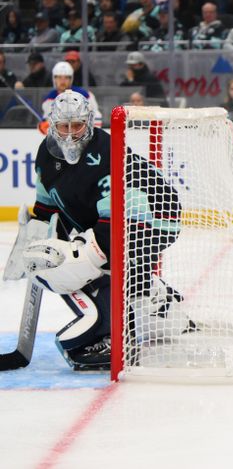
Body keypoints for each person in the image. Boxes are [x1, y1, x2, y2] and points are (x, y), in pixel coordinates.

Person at [20, 90, 189, 371]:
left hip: (153, 216)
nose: (71, 134)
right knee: (72, 259)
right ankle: (158, 303)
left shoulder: (105, 149)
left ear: (89, 123)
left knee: (80, 263)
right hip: (116, 219)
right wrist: (36, 237)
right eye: (64, 126)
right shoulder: (45, 153)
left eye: (78, 126)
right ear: (53, 125)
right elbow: (46, 208)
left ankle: (114, 333)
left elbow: (114, 221)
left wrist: (84, 256)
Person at [41, 61, 100, 132]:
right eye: (59, 77)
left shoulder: (84, 95)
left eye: (66, 77)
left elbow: (96, 116)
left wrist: (91, 136)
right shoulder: (49, 98)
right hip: (60, 139)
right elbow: (46, 120)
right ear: (54, 79)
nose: (62, 81)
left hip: (81, 136)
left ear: (71, 79)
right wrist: (44, 126)